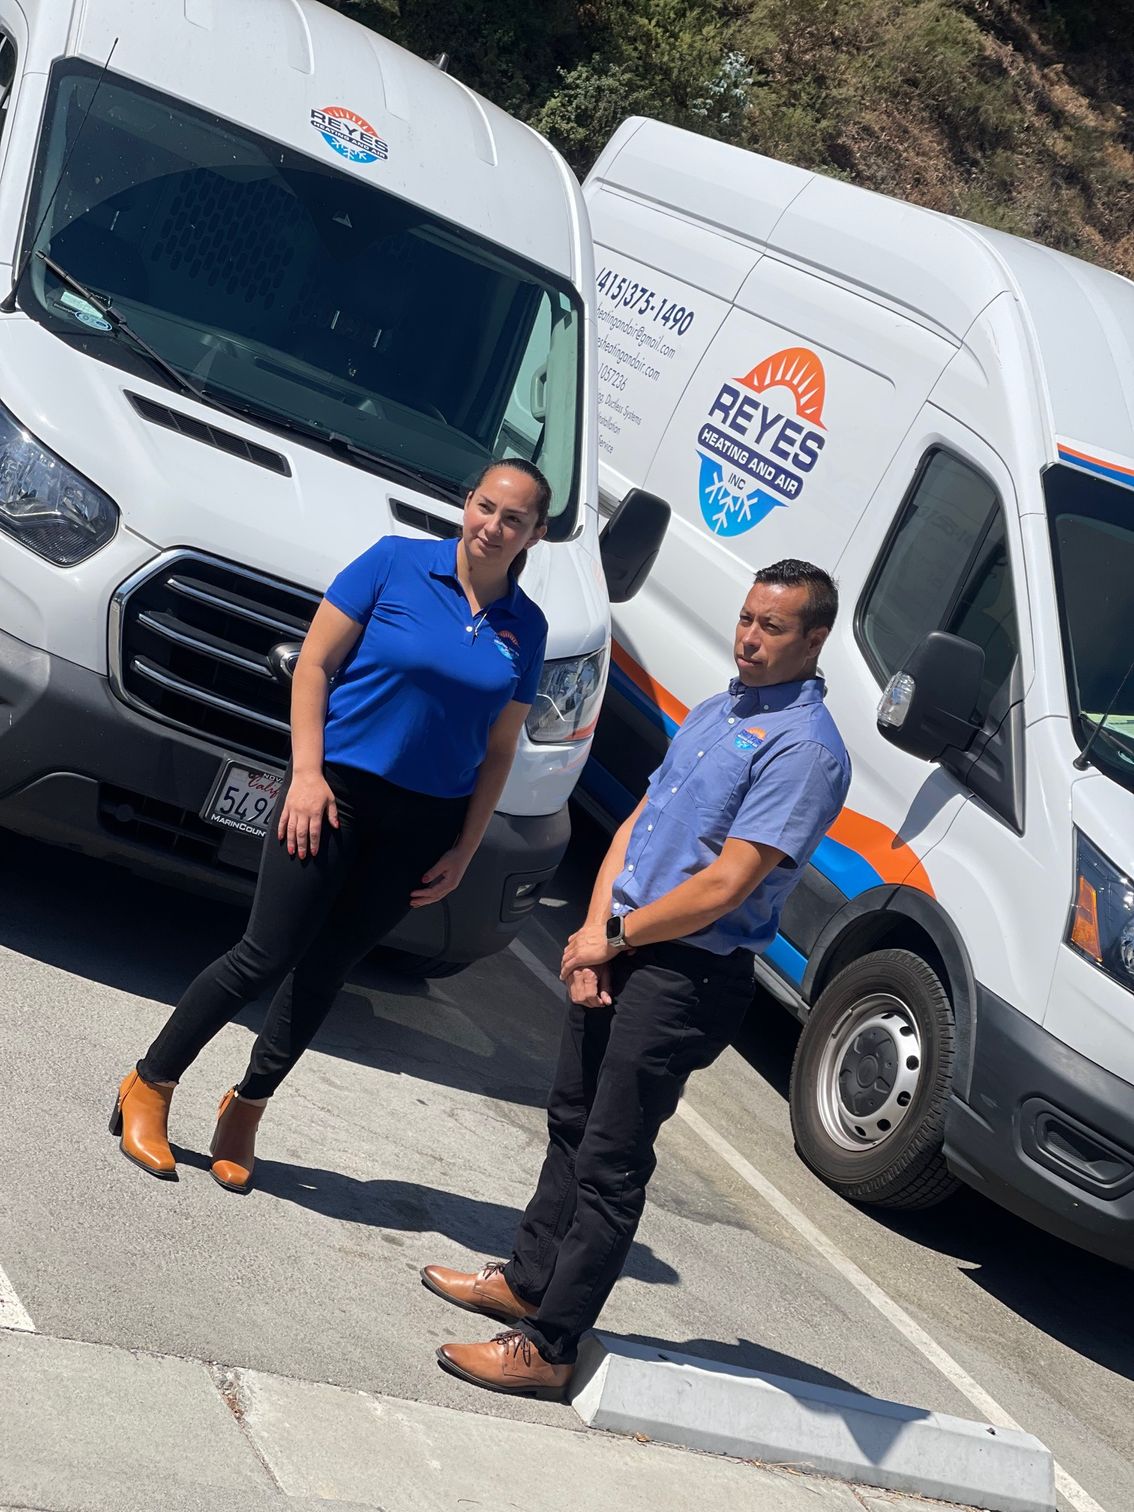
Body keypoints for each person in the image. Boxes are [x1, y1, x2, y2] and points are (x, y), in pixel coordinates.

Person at [422, 559, 851, 1399]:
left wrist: (614, 938)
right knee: (571, 1123)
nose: (749, 638)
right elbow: (635, 824)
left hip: (687, 973)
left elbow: (727, 885)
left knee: (611, 1161)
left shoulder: (807, 751)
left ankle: (549, 1345)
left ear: (814, 640)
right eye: (747, 619)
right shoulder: (720, 709)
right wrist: (590, 933)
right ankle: (527, 1280)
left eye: (772, 628)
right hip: (623, 944)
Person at [110, 459, 551, 1192]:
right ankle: (149, 1084)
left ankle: (245, 1110)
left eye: (513, 518)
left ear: (536, 532)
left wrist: (467, 848)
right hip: (333, 788)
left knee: (328, 970)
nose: (492, 527)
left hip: (424, 823)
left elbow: (500, 749)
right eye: (485, 506)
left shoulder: (525, 628)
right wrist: (306, 775)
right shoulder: (394, 563)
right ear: (465, 502)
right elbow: (314, 665)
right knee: (264, 954)